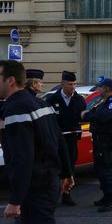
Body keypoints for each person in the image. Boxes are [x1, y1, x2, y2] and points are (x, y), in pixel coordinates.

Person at [0, 60, 73, 224]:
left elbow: (22, 158)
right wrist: (66, 173)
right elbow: (58, 140)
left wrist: (15, 200)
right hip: (48, 182)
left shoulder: (16, 109)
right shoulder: (40, 103)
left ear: (10, 80)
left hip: (34, 189)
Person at [81, 78, 112, 212]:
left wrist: (86, 115)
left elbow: (101, 117)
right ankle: (106, 196)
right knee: (100, 169)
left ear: (106, 88)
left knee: (106, 170)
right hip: (100, 139)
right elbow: (96, 113)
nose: (98, 90)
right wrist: (90, 114)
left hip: (106, 140)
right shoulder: (105, 102)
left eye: (100, 87)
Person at [46, 71, 86, 206]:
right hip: (55, 139)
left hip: (71, 139)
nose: (73, 87)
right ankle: (53, 194)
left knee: (70, 166)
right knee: (55, 167)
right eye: (70, 84)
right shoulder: (52, 100)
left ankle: (67, 194)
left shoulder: (79, 100)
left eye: (74, 84)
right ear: (62, 83)